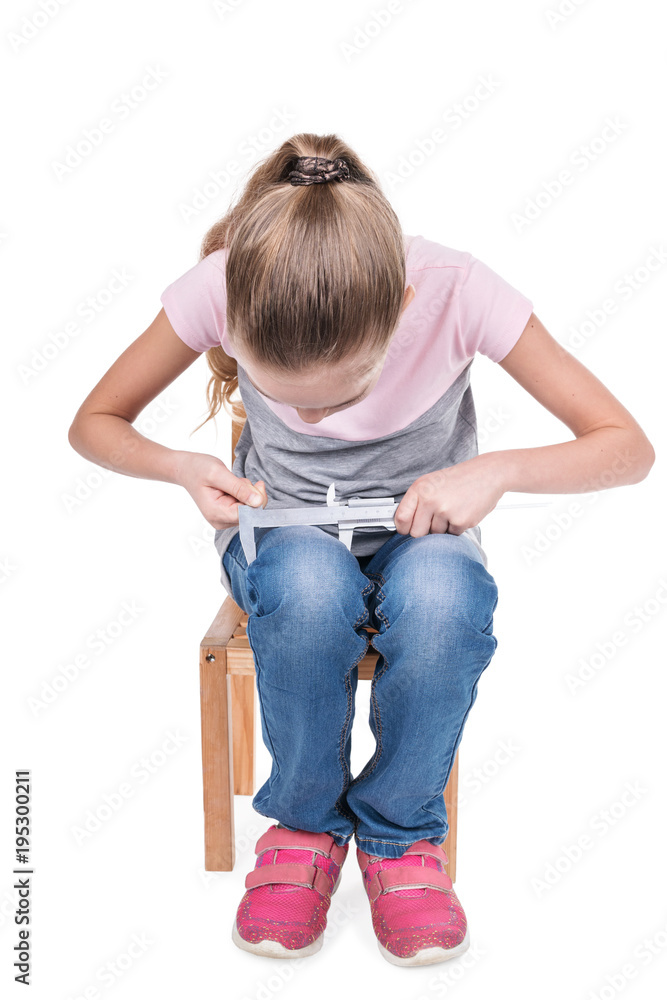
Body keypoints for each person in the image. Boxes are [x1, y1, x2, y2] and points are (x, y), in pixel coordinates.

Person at [68, 133, 655, 969]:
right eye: (281, 392)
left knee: (445, 601)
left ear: (400, 309)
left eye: (338, 392)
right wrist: (181, 468)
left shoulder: (457, 291)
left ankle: (400, 831)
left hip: (423, 539)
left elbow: (627, 447)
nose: (310, 422)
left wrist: (497, 471)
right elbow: (94, 422)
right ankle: (304, 822)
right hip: (283, 537)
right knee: (308, 592)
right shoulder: (225, 283)